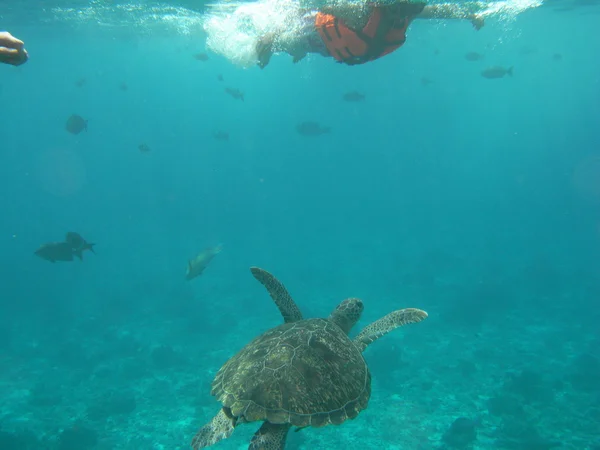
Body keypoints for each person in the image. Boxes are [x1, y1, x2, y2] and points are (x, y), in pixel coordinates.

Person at [255, 1, 485, 68]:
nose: (411, 12)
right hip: (311, 34)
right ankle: (264, 44)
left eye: (414, 7)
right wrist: (272, 34)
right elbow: (307, 5)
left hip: (336, 48)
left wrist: (469, 15)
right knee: (287, 45)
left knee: (300, 49)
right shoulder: (360, 11)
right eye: (409, 6)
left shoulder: (406, 13)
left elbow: (440, 11)